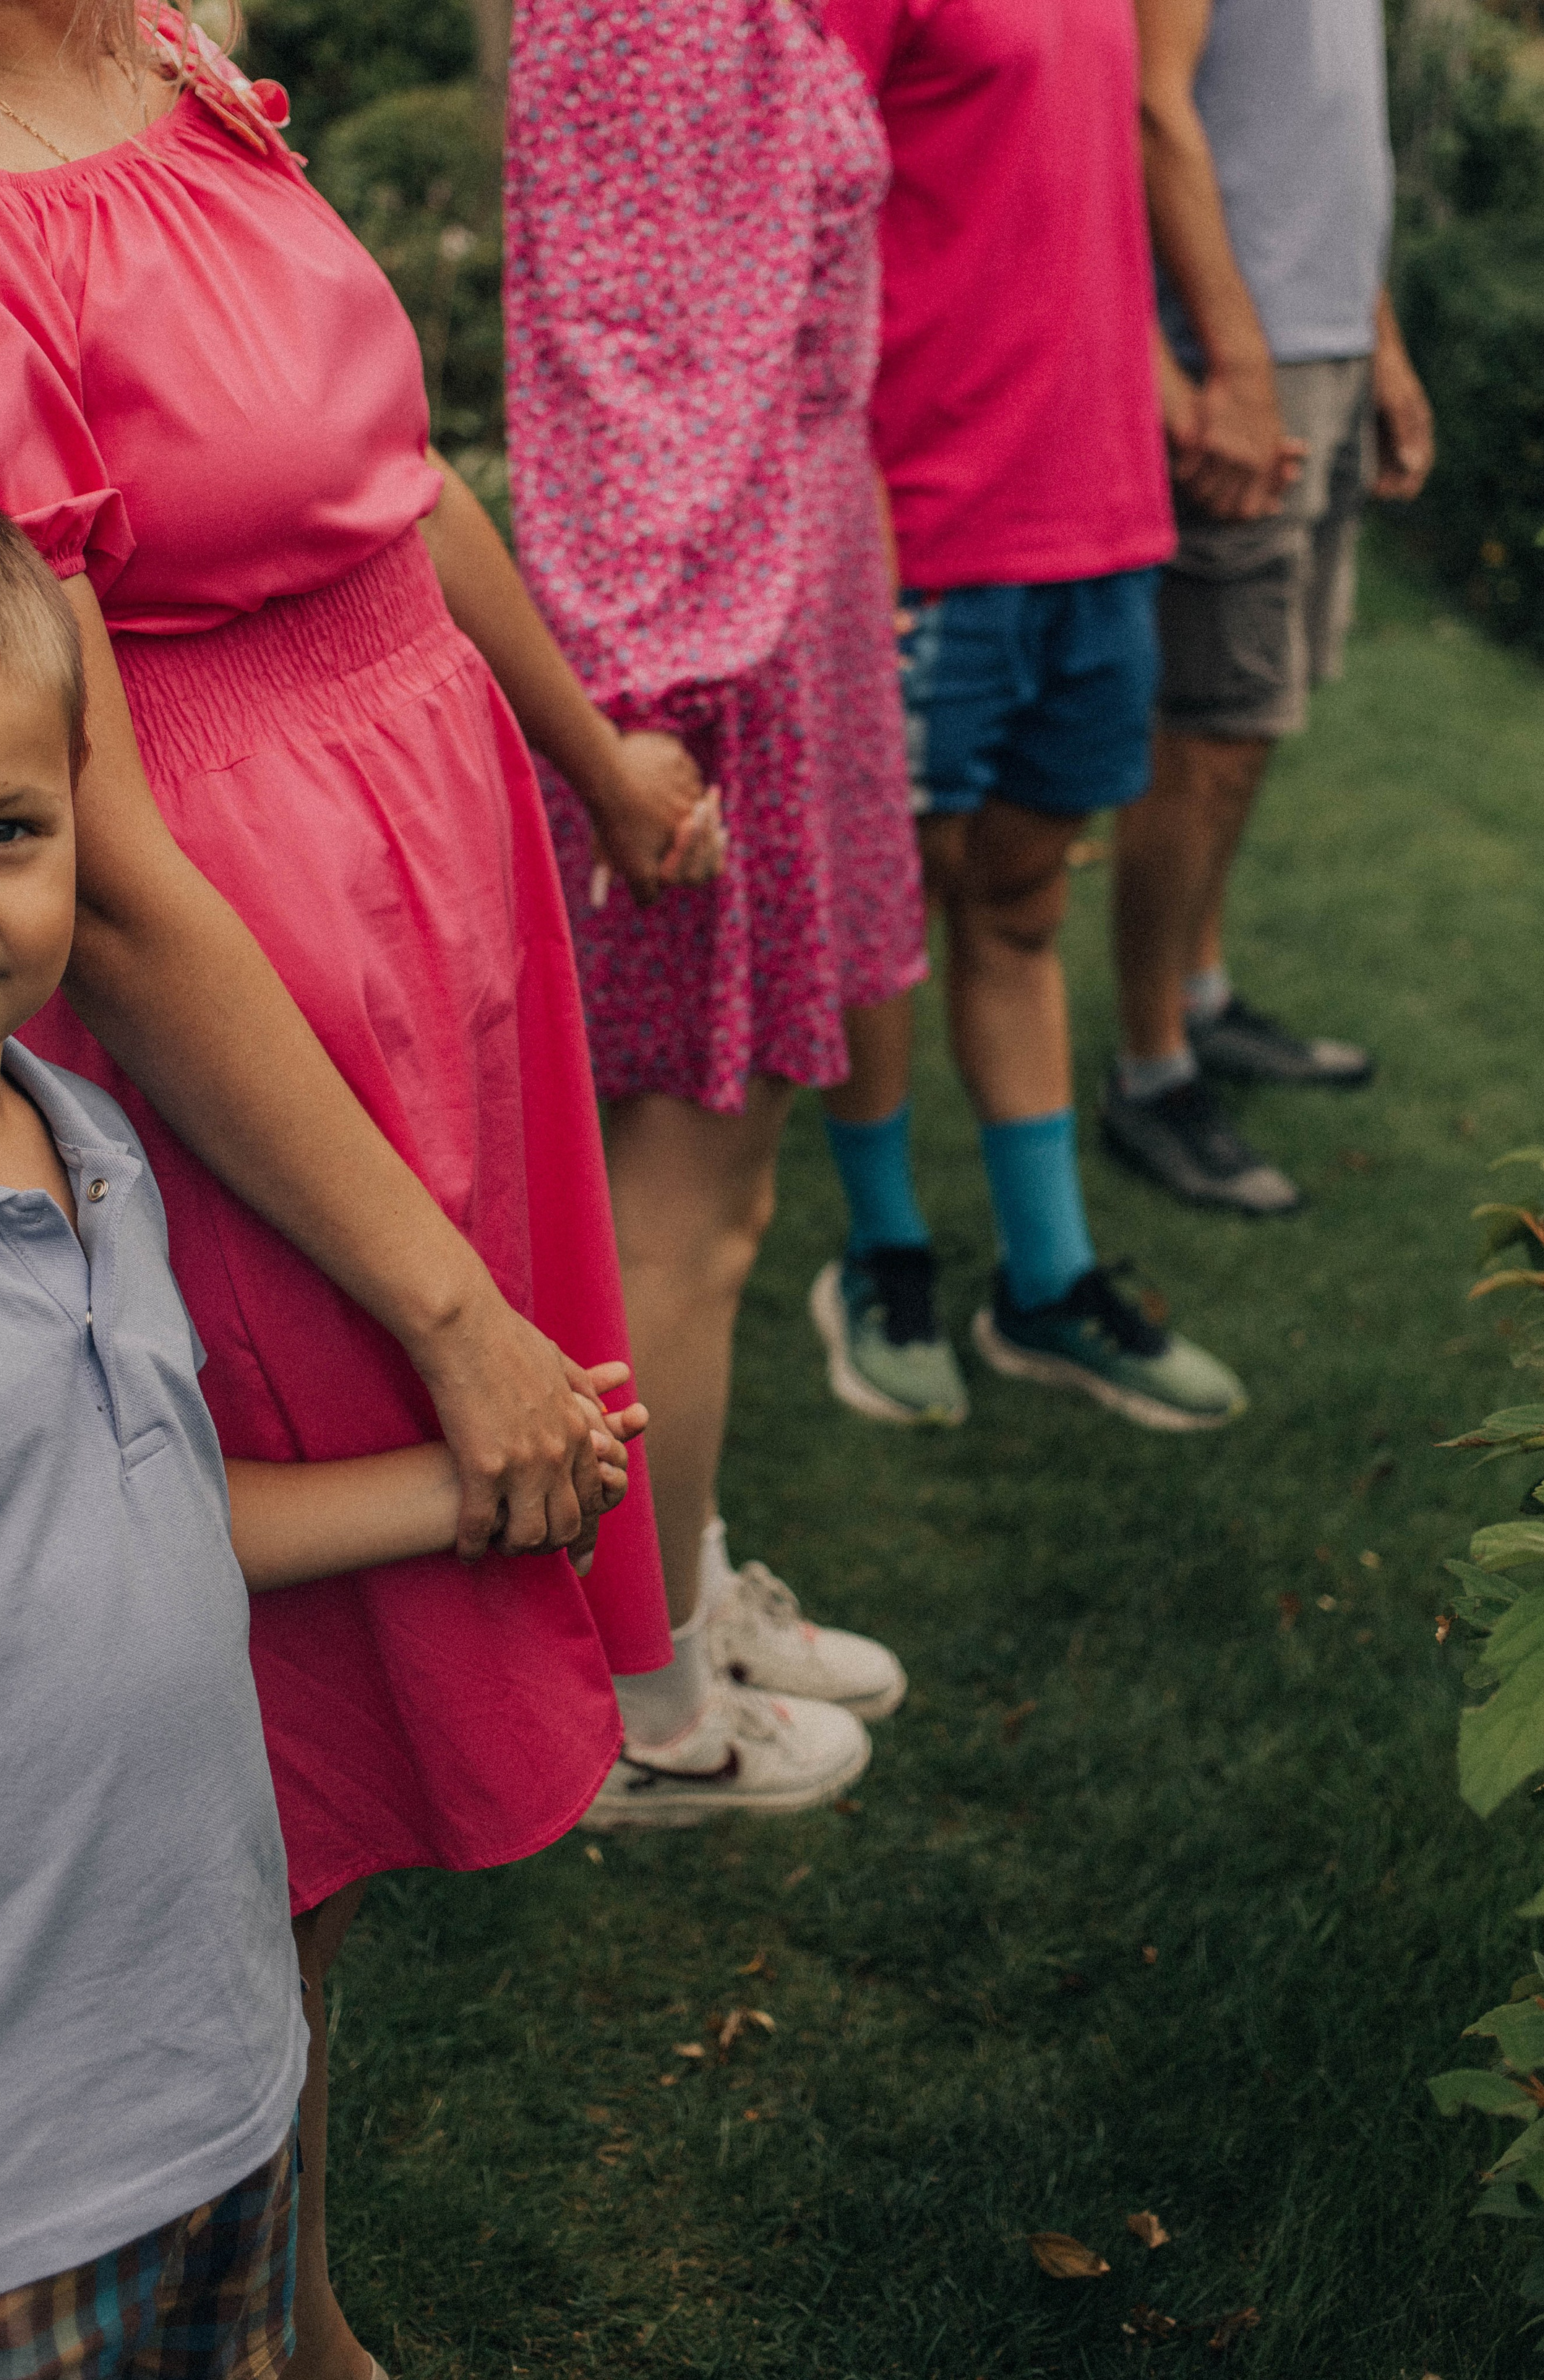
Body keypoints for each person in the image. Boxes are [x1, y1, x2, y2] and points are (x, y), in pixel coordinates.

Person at [0, 9, 679, 2374]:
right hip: (228, 1019)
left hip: (432, 946)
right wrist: (447, 1314)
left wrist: (574, 759)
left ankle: (283, 2295)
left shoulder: (156, 45)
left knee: (319, 1729)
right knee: (269, 1724)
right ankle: (252, 2305)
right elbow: (73, 841)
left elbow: (388, 470)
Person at [505, 0, 923, 1825]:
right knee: (689, 1202)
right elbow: (638, 371)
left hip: (783, 600)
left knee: (703, 1196)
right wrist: (638, 727)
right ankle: (645, 1707)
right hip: (711, 648)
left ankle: (679, 1587)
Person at [806, 0, 1248, 1436]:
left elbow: (1077, 185)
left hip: (1100, 510)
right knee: (881, 925)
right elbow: (812, 214)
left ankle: (1045, 1285)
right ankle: (882, 1260)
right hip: (932, 513)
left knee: (1019, 900)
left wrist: (1167, 382)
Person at [1102, 0, 1435, 1215]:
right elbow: (1154, 102)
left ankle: (1200, 993)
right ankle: (1148, 1065)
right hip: (1252, 353)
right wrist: (1235, 366)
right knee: (1203, 732)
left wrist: (1378, 341)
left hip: (1326, 341)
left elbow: (1323, 145)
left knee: (1251, 727)